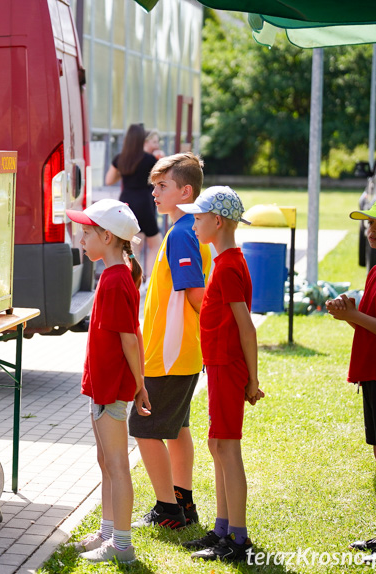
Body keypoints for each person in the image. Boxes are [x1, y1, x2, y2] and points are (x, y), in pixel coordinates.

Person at [177, 186, 264, 561]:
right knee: (217, 445)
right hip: (219, 366)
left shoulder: (228, 266)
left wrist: (252, 379)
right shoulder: (223, 261)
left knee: (228, 448)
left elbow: (247, 327)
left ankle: (238, 539)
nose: (193, 224)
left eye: (197, 218)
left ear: (217, 221)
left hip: (228, 367)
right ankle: (223, 528)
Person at [66, 199, 151, 565]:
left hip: (111, 389)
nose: (81, 239)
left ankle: (122, 545)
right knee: (106, 461)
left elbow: (130, 338)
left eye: (87, 233)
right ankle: (106, 531)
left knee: (117, 464)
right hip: (103, 386)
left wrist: (140, 383)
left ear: (107, 236)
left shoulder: (117, 280)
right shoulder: (118, 272)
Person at [130, 152, 211, 530]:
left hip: (169, 356)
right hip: (178, 354)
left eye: (162, 186)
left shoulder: (182, 234)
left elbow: (197, 295)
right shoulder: (184, 229)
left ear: (186, 191)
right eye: (153, 186)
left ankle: (168, 508)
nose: (154, 193)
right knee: (178, 430)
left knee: (144, 429)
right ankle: (184, 505)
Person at [326, 194, 376, 565]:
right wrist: (349, 310)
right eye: (370, 222)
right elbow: (371, 317)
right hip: (373, 374)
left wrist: (353, 318)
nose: (371, 229)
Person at [105, 124, 162, 275]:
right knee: (155, 243)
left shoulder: (120, 159)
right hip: (144, 203)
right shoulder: (149, 159)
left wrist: (123, 173)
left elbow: (109, 180)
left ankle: (132, 278)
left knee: (133, 244)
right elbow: (159, 178)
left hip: (126, 203)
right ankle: (148, 279)